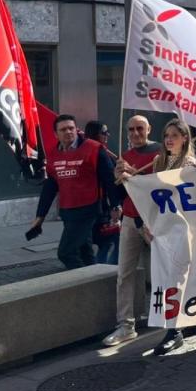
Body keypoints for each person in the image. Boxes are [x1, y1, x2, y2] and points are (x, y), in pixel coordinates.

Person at [30, 114, 121, 270]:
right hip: (67, 211)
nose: (68, 132)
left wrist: (116, 205)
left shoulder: (93, 148)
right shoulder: (53, 155)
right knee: (84, 252)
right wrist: (40, 216)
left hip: (88, 209)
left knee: (66, 253)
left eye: (71, 128)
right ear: (56, 134)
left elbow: (109, 179)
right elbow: (49, 188)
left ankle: (84, 283)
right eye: (63, 129)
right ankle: (95, 283)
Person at [103, 115, 162, 347]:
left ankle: (172, 316)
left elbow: (159, 187)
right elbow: (120, 194)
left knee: (164, 271)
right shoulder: (123, 157)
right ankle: (126, 325)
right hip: (130, 218)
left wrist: (134, 174)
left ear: (149, 129)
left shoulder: (160, 152)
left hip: (155, 219)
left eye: (140, 128)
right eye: (131, 130)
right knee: (124, 274)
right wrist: (117, 177)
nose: (135, 133)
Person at [150, 119, 196, 356]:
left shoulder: (189, 164)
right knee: (169, 277)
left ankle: (174, 330)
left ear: (185, 138)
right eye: (166, 135)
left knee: (176, 278)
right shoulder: (158, 162)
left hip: (183, 230)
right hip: (163, 231)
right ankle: (185, 323)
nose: (169, 139)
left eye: (174, 135)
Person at [84, 120, 119, 266]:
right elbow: (110, 181)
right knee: (108, 239)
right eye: (104, 133)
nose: (107, 135)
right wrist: (115, 205)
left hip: (96, 204)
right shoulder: (97, 153)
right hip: (99, 205)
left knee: (107, 239)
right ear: (95, 134)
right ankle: (103, 270)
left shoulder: (98, 151)